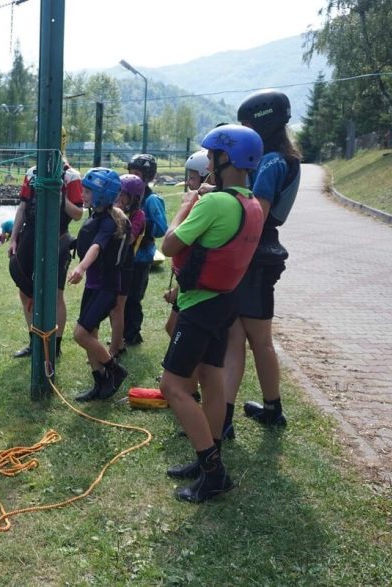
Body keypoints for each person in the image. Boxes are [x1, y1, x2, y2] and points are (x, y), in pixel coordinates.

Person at [160, 124, 264, 502]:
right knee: (210, 379)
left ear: (225, 159)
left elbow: (169, 245)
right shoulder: (249, 202)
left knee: (172, 387)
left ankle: (213, 471)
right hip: (224, 303)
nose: (206, 162)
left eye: (211, 156)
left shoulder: (213, 202)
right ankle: (210, 455)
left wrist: (186, 205)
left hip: (199, 306)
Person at [222, 89, 302, 436]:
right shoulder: (278, 156)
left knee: (254, 339)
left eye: (248, 124)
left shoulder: (271, 162)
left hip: (253, 259)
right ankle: (236, 413)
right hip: (257, 258)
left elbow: (257, 215)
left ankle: (255, 413)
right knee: (238, 338)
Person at [7, 151, 84, 359]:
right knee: (25, 291)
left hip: (58, 237)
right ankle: (34, 342)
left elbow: (78, 214)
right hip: (31, 236)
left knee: (56, 294)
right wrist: (14, 238)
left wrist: (59, 195)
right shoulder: (32, 173)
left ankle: (54, 346)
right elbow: (22, 208)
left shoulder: (72, 177)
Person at [67, 168, 130, 401]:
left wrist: (81, 268)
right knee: (91, 334)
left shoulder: (109, 223)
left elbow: (97, 247)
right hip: (93, 287)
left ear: (102, 195)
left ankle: (115, 371)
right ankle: (100, 383)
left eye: (87, 191)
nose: (82, 195)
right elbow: (86, 241)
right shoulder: (94, 216)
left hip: (106, 288)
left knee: (80, 335)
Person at [164, 149, 211, 338]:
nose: (189, 183)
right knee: (171, 327)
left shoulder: (204, 208)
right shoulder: (200, 203)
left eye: (192, 178)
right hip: (186, 280)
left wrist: (184, 207)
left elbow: (170, 244)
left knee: (177, 330)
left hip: (194, 283)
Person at [123, 154, 168, 347]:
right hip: (127, 255)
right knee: (122, 296)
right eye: (130, 173)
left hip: (141, 256)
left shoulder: (151, 200)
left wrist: (141, 223)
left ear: (147, 177)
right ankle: (124, 332)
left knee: (133, 298)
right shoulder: (128, 197)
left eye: (137, 174)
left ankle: (132, 335)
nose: (133, 177)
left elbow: (161, 228)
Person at [108, 174, 146, 358]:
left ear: (134, 198)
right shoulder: (113, 209)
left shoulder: (139, 215)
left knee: (118, 308)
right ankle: (117, 341)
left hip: (127, 265)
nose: (119, 197)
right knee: (110, 307)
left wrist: (118, 214)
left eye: (123, 194)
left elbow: (129, 239)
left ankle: (115, 348)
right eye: (118, 193)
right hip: (113, 264)